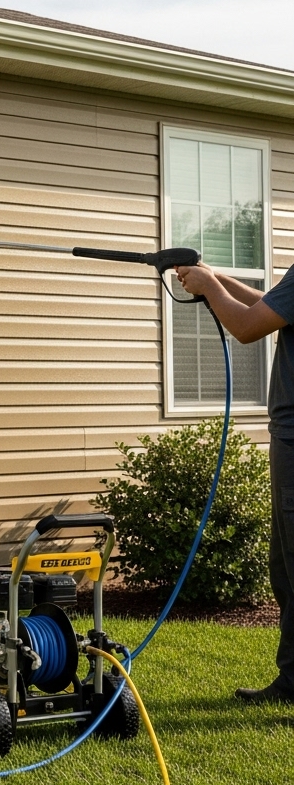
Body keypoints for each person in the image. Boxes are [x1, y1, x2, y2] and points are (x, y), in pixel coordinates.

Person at [175, 261, 294, 703]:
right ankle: (291, 682)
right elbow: (267, 306)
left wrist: (207, 285)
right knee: (284, 571)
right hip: (287, 438)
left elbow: (246, 327)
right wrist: (214, 279)